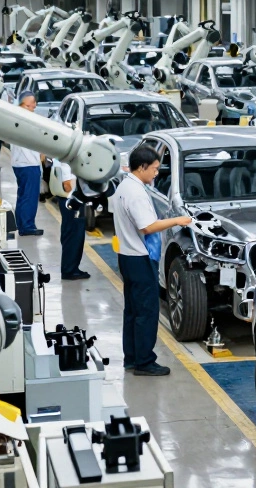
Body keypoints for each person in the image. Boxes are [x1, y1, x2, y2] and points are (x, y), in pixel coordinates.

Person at [110, 145, 192, 377]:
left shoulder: (125, 186)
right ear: (142, 167)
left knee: (133, 311)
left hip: (127, 256)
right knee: (146, 311)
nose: (157, 173)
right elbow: (147, 227)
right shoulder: (135, 193)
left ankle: (132, 358)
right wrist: (179, 220)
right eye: (155, 169)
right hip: (140, 258)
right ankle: (145, 362)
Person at [11, 91, 44, 236]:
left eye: (33, 106)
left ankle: (22, 223)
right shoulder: (24, 120)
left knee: (23, 195)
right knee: (29, 196)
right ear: (22, 105)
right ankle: (27, 226)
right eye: (30, 106)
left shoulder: (16, 118)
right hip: (28, 164)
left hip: (21, 163)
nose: (32, 109)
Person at [52, 158, 90, 280]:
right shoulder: (66, 163)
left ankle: (71, 267)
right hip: (72, 200)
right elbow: (67, 185)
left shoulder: (61, 157)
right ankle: (69, 270)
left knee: (71, 234)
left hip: (69, 200)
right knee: (74, 235)